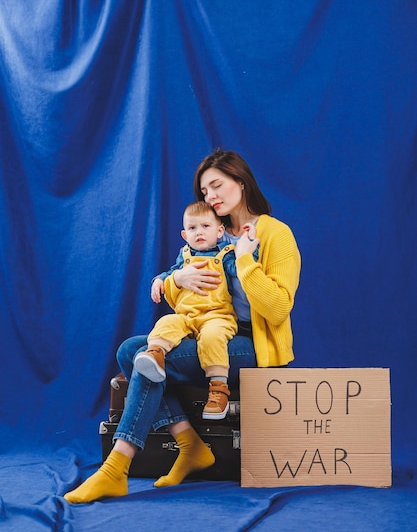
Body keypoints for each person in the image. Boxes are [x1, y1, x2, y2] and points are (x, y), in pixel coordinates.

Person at [64, 149, 301, 504]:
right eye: (205, 192)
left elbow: (279, 309)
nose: (211, 197)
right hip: (203, 330)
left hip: (251, 345)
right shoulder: (210, 234)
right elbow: (189, 305)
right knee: (130, 350)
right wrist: (179, 279)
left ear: (240, 181)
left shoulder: (275, 234)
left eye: (217, 185)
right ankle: (190, 444)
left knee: (144, 356)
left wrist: (246, 261)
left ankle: (116, 468)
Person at [134, 200, 258, 420]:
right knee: (166, 323)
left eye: (205, 226)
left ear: (220, 231)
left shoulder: (226, 255)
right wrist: (159, 280)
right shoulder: (185, 255)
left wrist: (248, 250)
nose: (199, 232)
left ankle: (218, 390)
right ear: (184, 235)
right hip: (187, 316)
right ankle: (155, 355)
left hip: (217, 316)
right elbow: (172, 271)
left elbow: (242, 271)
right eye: (192, 228)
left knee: (213, 338)